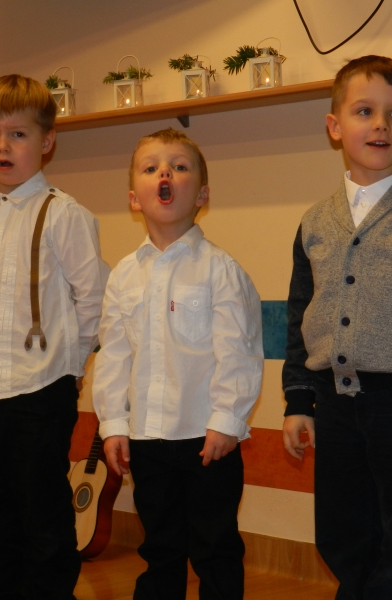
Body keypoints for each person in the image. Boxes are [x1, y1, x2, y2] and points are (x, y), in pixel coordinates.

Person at [281, 56, 392, 600]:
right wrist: (298, 400)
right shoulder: (314, 221)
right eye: (364, 111)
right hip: (333, 401)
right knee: (341, 528)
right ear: (335, 126)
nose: (381, 125)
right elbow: (300, 313)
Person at [93, 128, 263, 600]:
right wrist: (113, 424)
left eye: (179, 167)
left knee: (214, 546)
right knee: (160, 546)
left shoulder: (219, 269)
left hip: (206, 440)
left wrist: (227, 420)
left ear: (202, 194)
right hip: (147, 439)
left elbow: (239, 353)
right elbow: (113, 356)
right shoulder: (124, 275)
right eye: (151, 168)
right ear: (134, 197)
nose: (164, 173)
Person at [0, 74, 108, 600]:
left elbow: (94, 300)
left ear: (47, 141)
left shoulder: (64, 215)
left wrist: (71, 367)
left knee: (43, 523)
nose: (3, 147)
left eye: (17, 135)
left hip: (38, 392)